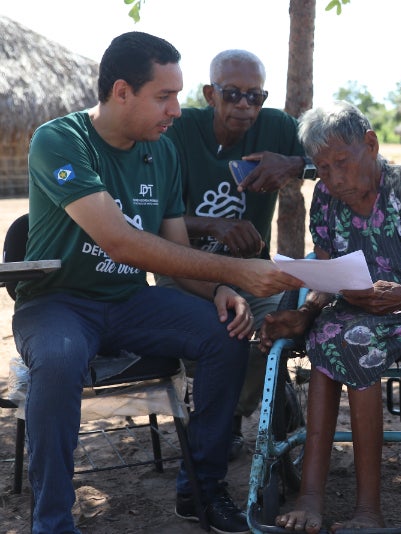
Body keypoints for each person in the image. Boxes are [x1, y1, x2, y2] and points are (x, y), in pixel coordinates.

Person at [12, 31, 303, 534]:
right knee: (58, 361)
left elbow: (174, 256)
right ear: (122, 91)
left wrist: (219, 292)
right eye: (164, 97)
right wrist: (237, 272)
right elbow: (121, 243)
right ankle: (53, 522)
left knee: (225, 333)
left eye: (178, 96)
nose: (175, 110)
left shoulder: (161, 152)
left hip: (128, 300)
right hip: (57, 303)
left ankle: (202, 492)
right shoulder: (60, 140)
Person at [257, 101, 401, 532]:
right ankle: (311, 498)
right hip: (348, 310)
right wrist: (305, 312)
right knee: (327, 334)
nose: (333, 178)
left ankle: (368, 510)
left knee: (349, 341)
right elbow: (325, 276)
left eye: (341, 162)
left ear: (372, 145)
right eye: (322, 168)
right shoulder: (324, 197)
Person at [158, 48, 315, 461]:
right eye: (232, 95)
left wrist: (295, 163)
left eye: (255, 96)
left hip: (249, 274)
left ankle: (230, 416)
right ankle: (225, 417)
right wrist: (213, 225)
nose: (245, 107)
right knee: (225, 333)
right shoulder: (179, 131)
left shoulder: (278, 128)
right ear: (210, 94)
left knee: (272, 332)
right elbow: (151, 218)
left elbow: (341, 154)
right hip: (184, 269)